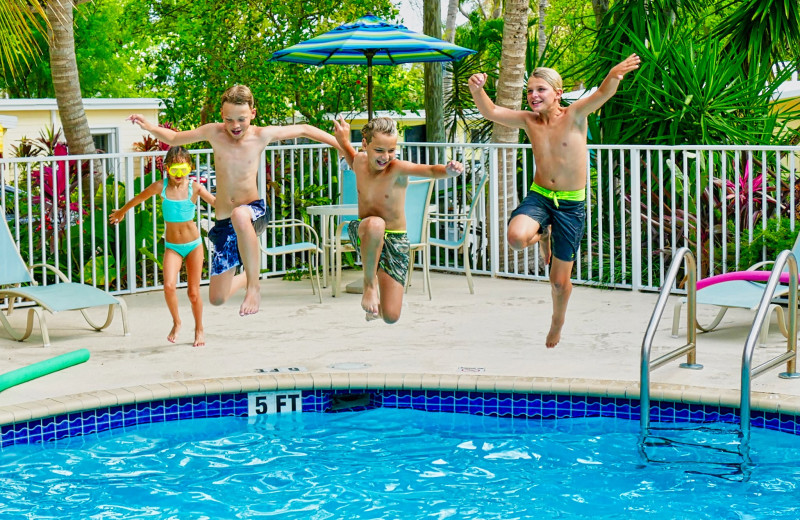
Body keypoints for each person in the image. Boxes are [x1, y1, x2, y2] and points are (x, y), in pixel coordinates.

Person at [468, 54, 640, 348]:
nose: (533, 95)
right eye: (530, 90)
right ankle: (543, 234)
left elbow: (602, 93)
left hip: (571, 206)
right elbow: (492, 111)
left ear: (558, 93)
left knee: (559, 283)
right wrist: (477, 89)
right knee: (515, 239)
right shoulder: (528, 120)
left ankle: (557, 322)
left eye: (541, 90)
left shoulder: (574, 115)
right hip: (540, 196)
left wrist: (614, 74)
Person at [127, 85, 342, 316]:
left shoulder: (261, 135)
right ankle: (250, 275)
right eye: (229, 120)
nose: (235, 126)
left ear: (253, 113)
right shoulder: (214, 133)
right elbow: (175, 137)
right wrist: (149, 126)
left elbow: (305, 129)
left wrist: (344, 146)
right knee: (217, 298)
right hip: (224, 224)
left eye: (241, 119)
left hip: (253, 213)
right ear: (222, 115)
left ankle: (253, 287)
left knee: (240, 214)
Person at [332, 115, 464, 323]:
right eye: (379, 150)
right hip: (366, 234)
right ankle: (369, 286)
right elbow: (350, 155)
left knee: (391, 317)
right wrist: (343, 140)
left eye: (391, 150)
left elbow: (429, 170)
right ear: (365, 145)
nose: (386, 156)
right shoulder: (360, 161)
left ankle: (377, 310)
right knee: (376, 223)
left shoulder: (398, 169)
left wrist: (448, 170)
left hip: (396, 240)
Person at [109, 146, 216, 347]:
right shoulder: (161, 187)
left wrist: (237, 205)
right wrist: (122, 211)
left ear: (190, 167)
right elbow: (139, 198)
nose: (179, 175)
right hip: (173, 246)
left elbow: (217, 203)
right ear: (167, 168)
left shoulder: (195, 188)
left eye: (183, 169)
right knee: (168, 286)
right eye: (174, 169)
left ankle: (199, 328)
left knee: (193, 293)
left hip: (194, 245)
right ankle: (177, 322)